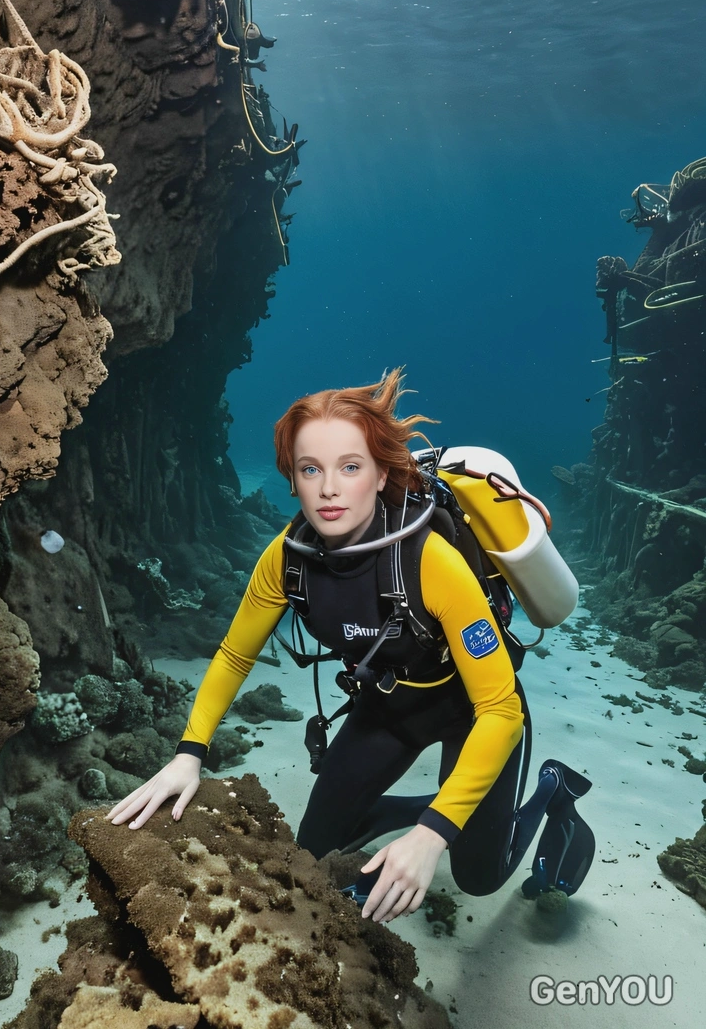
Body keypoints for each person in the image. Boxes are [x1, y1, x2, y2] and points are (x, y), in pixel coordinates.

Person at [108, 370, 594, 924]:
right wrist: (188, 755)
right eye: (310, 469)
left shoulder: (431, 562)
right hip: (384, 710)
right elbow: (235, 655)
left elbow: (501, 711)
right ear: (292, 478)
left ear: (382, 472)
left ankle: (551, 792)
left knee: (477, 877)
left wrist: (434, 834)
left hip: (474, 715)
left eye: (350, 467)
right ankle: (423, 811)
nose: (329, 489)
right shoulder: (286, 559)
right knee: (310, 858)